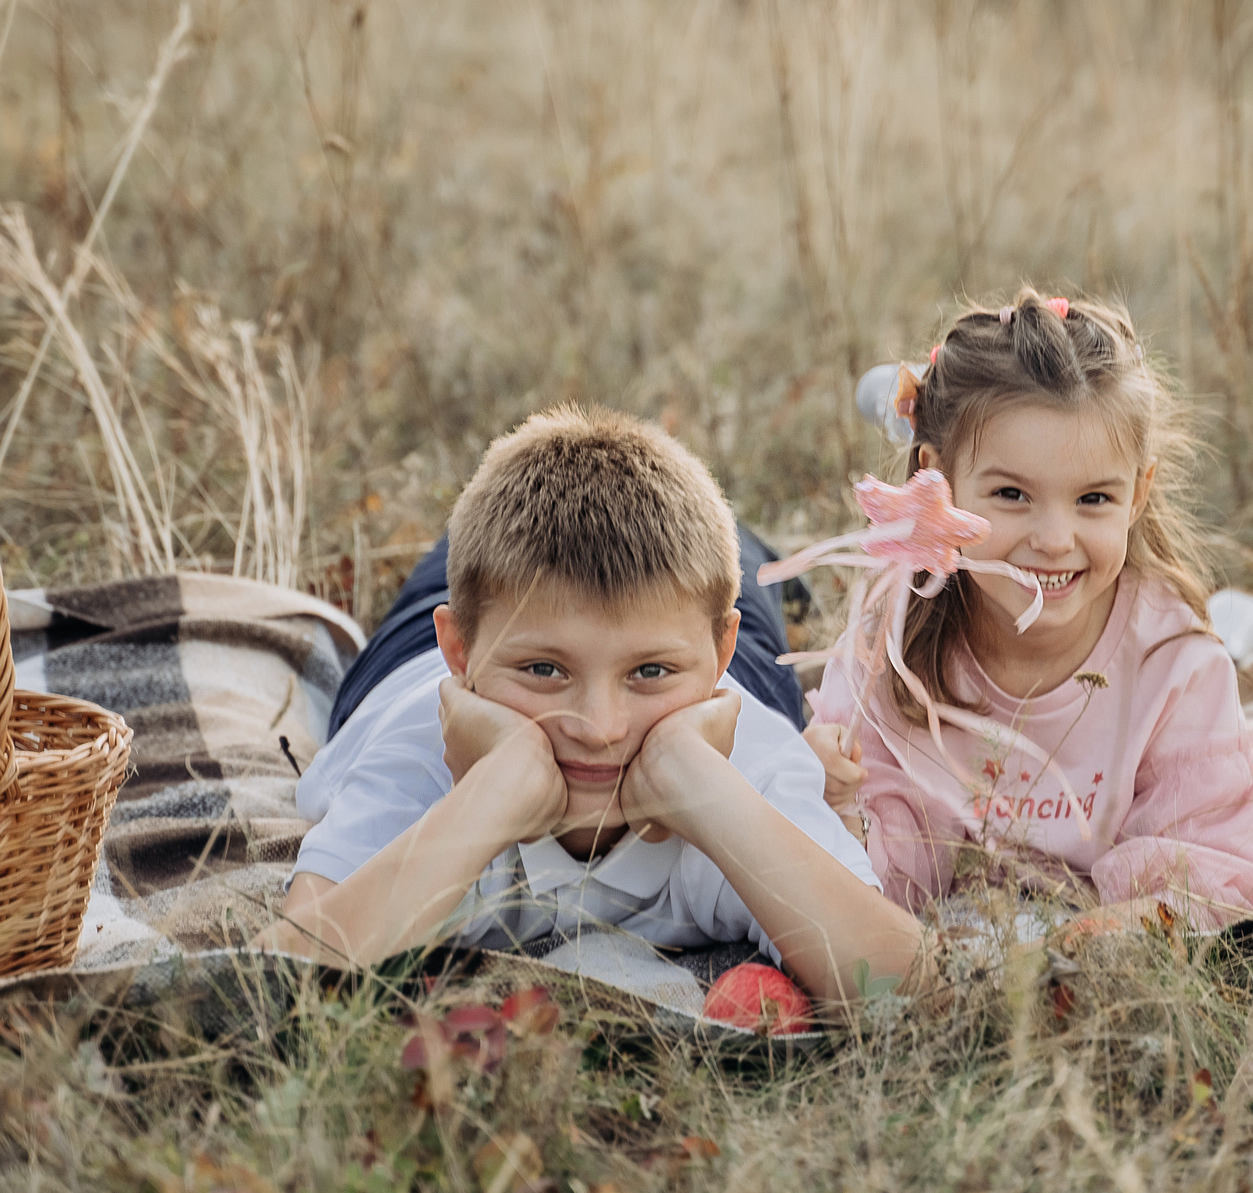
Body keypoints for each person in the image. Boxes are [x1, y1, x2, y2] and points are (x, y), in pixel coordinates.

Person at [257, 407, 918, 1007]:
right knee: (470, 553)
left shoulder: (754, 765)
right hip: (414, 660)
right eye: (544, 671)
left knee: (742, 566)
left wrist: (701, 787)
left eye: (647, 673)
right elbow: (284, 978)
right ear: (459, 654)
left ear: (716, 657)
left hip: (703, 656)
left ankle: (734, 570)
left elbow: (905, 982)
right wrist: (494, 791)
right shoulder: (416, 756)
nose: (599, 728)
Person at [792, 288, 1253, 926]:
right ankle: (899, 399)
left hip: (1093, 934)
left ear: (1138, 494)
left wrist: (1102, 937)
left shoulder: (1176, 664)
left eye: (1093, 500)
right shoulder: (895, 635)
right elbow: (882, 879)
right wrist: (841, 806)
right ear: (934, 482)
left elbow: (1211, 857)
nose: (1055, 541)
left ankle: (1234, 625)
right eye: (1011, 493)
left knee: (1222, 676)